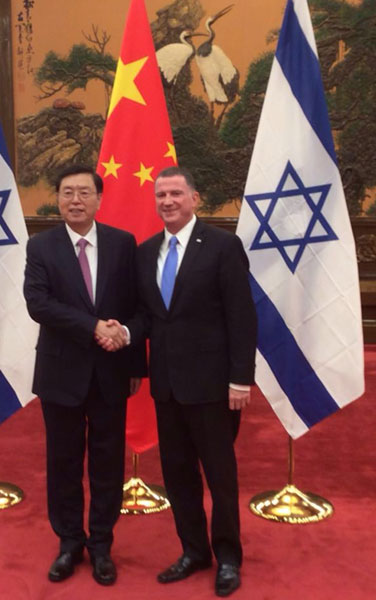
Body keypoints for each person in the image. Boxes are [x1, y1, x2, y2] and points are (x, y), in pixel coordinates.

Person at [125, 166, 256, 597]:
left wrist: (240, 379)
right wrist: (124, 337)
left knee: (219, 475)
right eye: (160, 195)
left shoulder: (223, 246)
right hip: (167, 386)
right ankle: (194, 550)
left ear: (194, 198)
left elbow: (241, 316)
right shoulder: (145, 253)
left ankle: (229, 557)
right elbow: (147, 317)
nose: (167, 202)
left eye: (176, 194)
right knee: (178, 475)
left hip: (214, 386)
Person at [23, 164, 143, 586]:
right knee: (63, 462)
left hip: (112, 372)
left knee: (108, 464)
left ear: (99, 199)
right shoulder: (41, 247)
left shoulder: (123, 244)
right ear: (57, 198)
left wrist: (133, 363)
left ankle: (102, 545)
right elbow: (38, 304)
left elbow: (135, 306)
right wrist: (92, 327)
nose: (75, 200)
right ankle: (70, 542)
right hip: (60, 373)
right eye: (67, 192)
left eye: (84, 193)